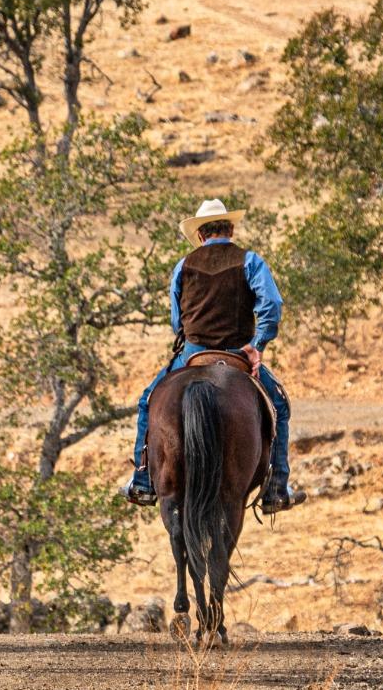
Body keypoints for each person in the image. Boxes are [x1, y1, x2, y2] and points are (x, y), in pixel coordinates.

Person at [121, 198, 305, 513]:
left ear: (201, 235)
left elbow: (177, 322)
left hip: (192, 353)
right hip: (238, 352)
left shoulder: (183, 265)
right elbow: (271, 305)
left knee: (147, 402)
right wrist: (257, 344)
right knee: (280, 407)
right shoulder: (250, 261)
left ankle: (143, 480)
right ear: (230, 229)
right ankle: (277, 487)